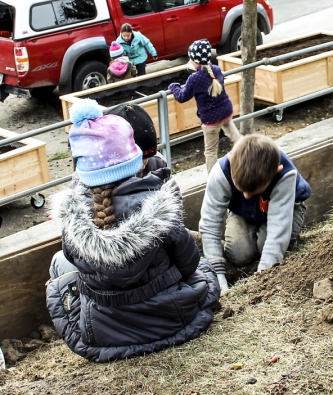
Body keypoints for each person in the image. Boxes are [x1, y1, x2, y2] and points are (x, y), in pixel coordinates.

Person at [46, 99, 220, 362]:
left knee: (60, 270)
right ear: (136, 161)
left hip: (106, 335)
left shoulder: (74, 219)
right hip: (172, 321)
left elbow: (72, 260)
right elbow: (189, 263)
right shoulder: (160, 207)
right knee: (203, 269)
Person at [199, 133, 311, 292]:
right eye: (241, 190)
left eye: (253, 191)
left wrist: (262, 280)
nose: (246, 196)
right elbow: (209, 224)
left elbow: (277, 232)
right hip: (243, 211)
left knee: (265, 243)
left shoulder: (284, 174)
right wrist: (218, 277)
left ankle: (275, 241)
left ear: (276, 171)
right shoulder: (221, 172)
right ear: (231, 163)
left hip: (284, 210)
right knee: (240, 254)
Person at [168, 39, 241, 173]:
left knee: (211, 151)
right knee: (235, 137)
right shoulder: (217, 70)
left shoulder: (194, 79)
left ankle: (214, 179)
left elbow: (182, 97)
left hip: (211, 120)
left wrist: (174, 87)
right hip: (225, 111)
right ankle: (246, 154)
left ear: (194, 60)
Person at [103, 102, 167, 175]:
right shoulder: (104, 177)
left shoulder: (158, 163)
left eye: (145, 158)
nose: (142, 167)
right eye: (138, 159)